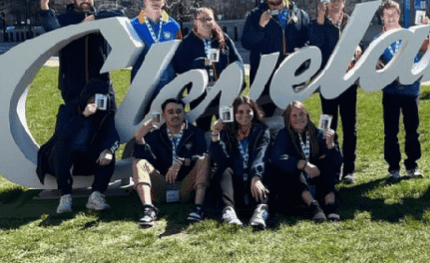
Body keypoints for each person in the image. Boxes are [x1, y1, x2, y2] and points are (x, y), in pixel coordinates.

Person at [36, 78, 119, 214]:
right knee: (62, 148)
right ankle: (65, 196)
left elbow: (113, 136)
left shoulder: (105, 114)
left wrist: (110, 150)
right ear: (87, 97)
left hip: (85, 158)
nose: (97, 103)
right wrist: (83, 116)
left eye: (101, 99)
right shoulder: (68, 110)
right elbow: (62, 135)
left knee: (108, 152)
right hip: (60, 159)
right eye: (94, 99)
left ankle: (96, 195)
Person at [309, 0, 363, 184]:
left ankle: (349, 169)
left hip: (348, 81)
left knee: (350, 126)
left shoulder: (350, 22)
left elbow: (359, 43)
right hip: (327, 82)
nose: (333, 3)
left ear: (344, 2)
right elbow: (316, 44)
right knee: (328, 126)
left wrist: (358, 48)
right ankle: (333, 165)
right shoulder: (318, 23)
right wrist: (321, 20)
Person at [39, 0, 124, 106]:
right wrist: (44, 6)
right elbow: (51, 29)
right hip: (73, 82)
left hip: (100, 81)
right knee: (78, 121)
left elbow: (121, 13)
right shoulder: (65, 19)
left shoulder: (101, 16)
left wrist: (94, 17)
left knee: (106, 118)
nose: (86, 0)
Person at [376, 0, 430, 181]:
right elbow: (372, 64)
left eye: (394, 14)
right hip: (391, 91)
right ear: (382, 18)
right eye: (387, 15)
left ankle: (412, 166)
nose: (391, 18)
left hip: (411, 89)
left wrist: (429, 29)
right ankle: (393, 168)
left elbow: (428, 47)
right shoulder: (378, 40)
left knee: (412, 130)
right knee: (391, 131)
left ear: (399, 15)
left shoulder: (409, 34)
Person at [132, 97, 210, 228]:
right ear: (164, 115)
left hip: (186, 185)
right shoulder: (155, 135)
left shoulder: (196, 133)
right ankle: (149, 209)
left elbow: (199, 154)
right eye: (171, 112)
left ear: (184, 113)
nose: (175, 115)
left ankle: (197, 208)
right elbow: (146, 158)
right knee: (139, 163)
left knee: (204, 159)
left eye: (179, 111)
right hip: (162, 186)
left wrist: (180, 162)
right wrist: (140, 139)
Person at [241, 0, 310, 116]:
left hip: (293, 78)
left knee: (293, 121)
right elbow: (246, 43)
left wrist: (299, 54)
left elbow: (307, 43)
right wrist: (260, 26)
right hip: (265, 81)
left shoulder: (301, 15)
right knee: (265, 123)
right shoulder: (254, 16)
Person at [270, 101, 343, 223]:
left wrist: (331, 146)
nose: (299, 118)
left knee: (326, 162)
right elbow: (276, 158)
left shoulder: (318, 133)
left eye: (301, 114)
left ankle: (330, 204)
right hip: (296, 187)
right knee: (292, 169)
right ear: (288, 119)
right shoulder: (284, 134)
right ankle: (313, 206)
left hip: (317, 181)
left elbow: (337, 163)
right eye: (294, 115)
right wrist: (302, 164)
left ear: (307, 116)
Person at [172, 7, 243, 131]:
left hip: (222, 92)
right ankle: (206, 150)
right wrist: (199, 62)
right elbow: (179, 66)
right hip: (200, 95)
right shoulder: (188, 42)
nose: (206, 22)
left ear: (214, 21)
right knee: (203, 129)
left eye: (209, 19)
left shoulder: (222, 39)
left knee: (228, 127)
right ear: (195, 21)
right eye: (202, 19)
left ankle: (226, 149)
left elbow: (237, 62)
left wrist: (238, 85)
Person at [209, 96, 271, 229]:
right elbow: (221, 161)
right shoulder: (226, 132)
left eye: (248, 111)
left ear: (254, 112)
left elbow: (261, 155)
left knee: (268, 169)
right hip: (234, 181)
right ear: (233, 113)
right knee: (223, 171)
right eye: (240, 112)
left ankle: (260, 211)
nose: (244, 115)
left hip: (254, 179)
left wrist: (256, 176)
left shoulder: (261, 131)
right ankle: (229, 212)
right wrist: (215, 135)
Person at [130, 0, 183, 94]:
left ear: (163, 1)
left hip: (167, 82)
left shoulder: (173, 26)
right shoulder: (133, 25)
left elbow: (179, 55)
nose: (155, 2)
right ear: (145, 0)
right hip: (141, 83)